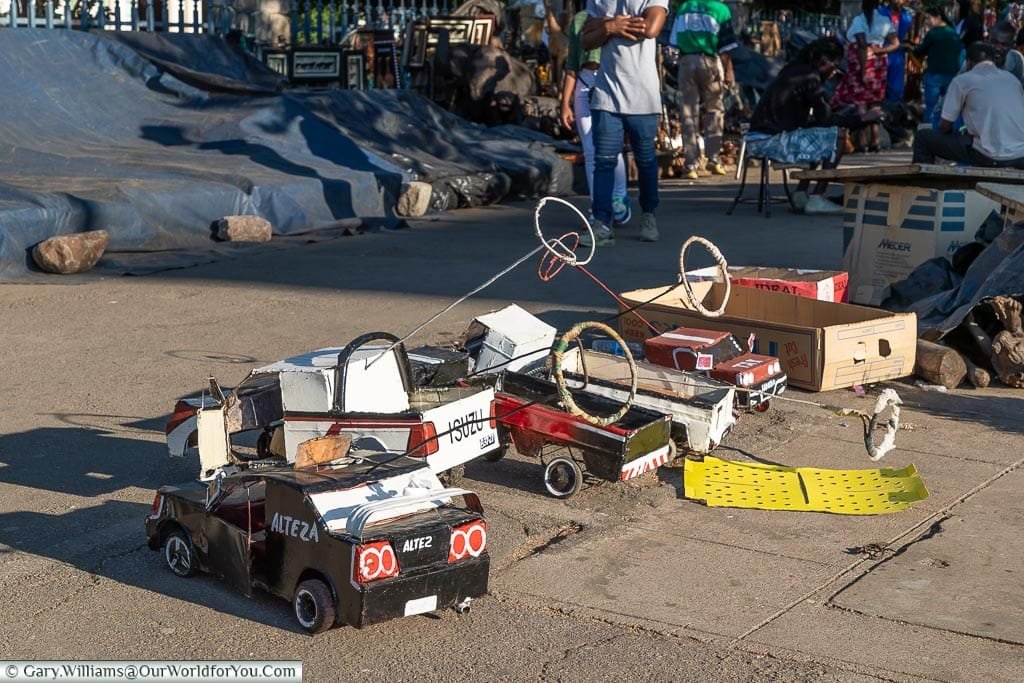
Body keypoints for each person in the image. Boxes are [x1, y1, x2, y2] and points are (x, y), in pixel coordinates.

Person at [747, 38, 881, 215]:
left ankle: (801, 194)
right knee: (838, 135)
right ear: (824, 63)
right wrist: (864, 118)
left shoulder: (794, 70)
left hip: (760, 137)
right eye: (834, 67)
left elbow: (817, 120)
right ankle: (818, 197)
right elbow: (826, 119)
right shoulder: (810, 77)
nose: (834, 74)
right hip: (771, 141)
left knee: (818, 137)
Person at [581, 0, 669, 245]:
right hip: (606, 94)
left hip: (643, 95)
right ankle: (601, 224)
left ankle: (649, 215)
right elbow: (586, 40)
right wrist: (610, 28)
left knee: (646, 160)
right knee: (604, 161)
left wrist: (605, 23)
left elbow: (651, 27)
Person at [559, 5, 631, 226]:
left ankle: (619, 197)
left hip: (611, 79)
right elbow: (572, 62)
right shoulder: (580, 19)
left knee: (611, 146)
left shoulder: (623, 11)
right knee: (591, 151)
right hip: (584, 81)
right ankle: (597, 207)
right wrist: (565, 103)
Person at [912, 41, 1024, 167]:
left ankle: (922, 184)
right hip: (1020, 156)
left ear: (969, 62)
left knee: (923, 137)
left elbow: (945, 126)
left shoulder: (962, 80)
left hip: (989, 156)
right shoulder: (1012, 80)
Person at [670, 0, 739, 180]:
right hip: (709, 61)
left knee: (688, 113)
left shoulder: (684, 7)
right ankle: (714, 159)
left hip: (686, 63)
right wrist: (729, 71)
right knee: (714, 111)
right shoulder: (720, 9)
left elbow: (673, 42)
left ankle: (691, 164)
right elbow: (725, 46)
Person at [830, 0, 899, 152]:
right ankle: (875, 141)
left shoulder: (859, 20)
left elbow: (861, 44)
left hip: (860, 63)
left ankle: (862, 142)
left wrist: (863, 71)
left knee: (860, 102)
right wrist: (880, 51)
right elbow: (896, 43)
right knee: (874, 102)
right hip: (879, 64)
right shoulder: (885, 21)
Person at [914, 6, 963, 127]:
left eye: (928, 18)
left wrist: (912, 48)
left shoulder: (933, 33)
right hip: (952, 75)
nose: (927, 21)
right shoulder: (953, 33)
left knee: (931, 106)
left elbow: (920, 51)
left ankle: (929, 131)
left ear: (938, 18)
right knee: (950, 106)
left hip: (934, 75)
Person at [879, 0, 913, 102]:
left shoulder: (907, 17)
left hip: (897, 56)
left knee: (896, 90)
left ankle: (893, 111)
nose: (900, 1)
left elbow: (905, 38)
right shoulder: (880, 13)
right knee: (877, 88)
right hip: (880, 54)